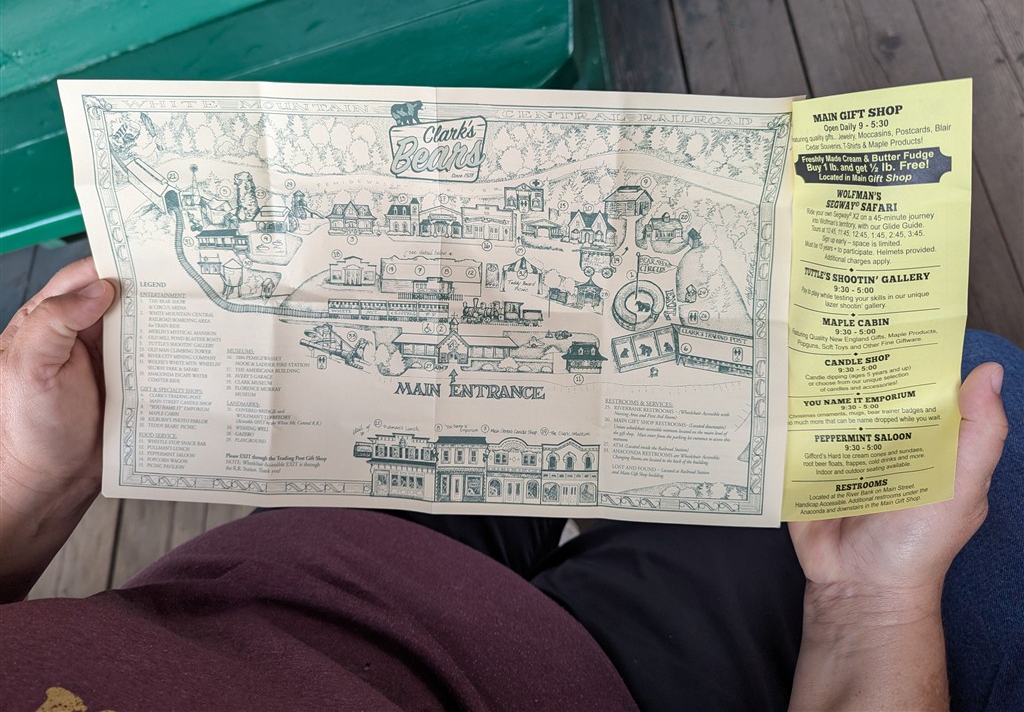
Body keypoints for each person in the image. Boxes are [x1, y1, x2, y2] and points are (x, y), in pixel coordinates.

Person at [0, 258, 1018, 710]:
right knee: (959, 389)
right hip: (613, 689)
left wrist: (32, 484)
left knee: (514, 321)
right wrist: (869, 609)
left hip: (296, 566)